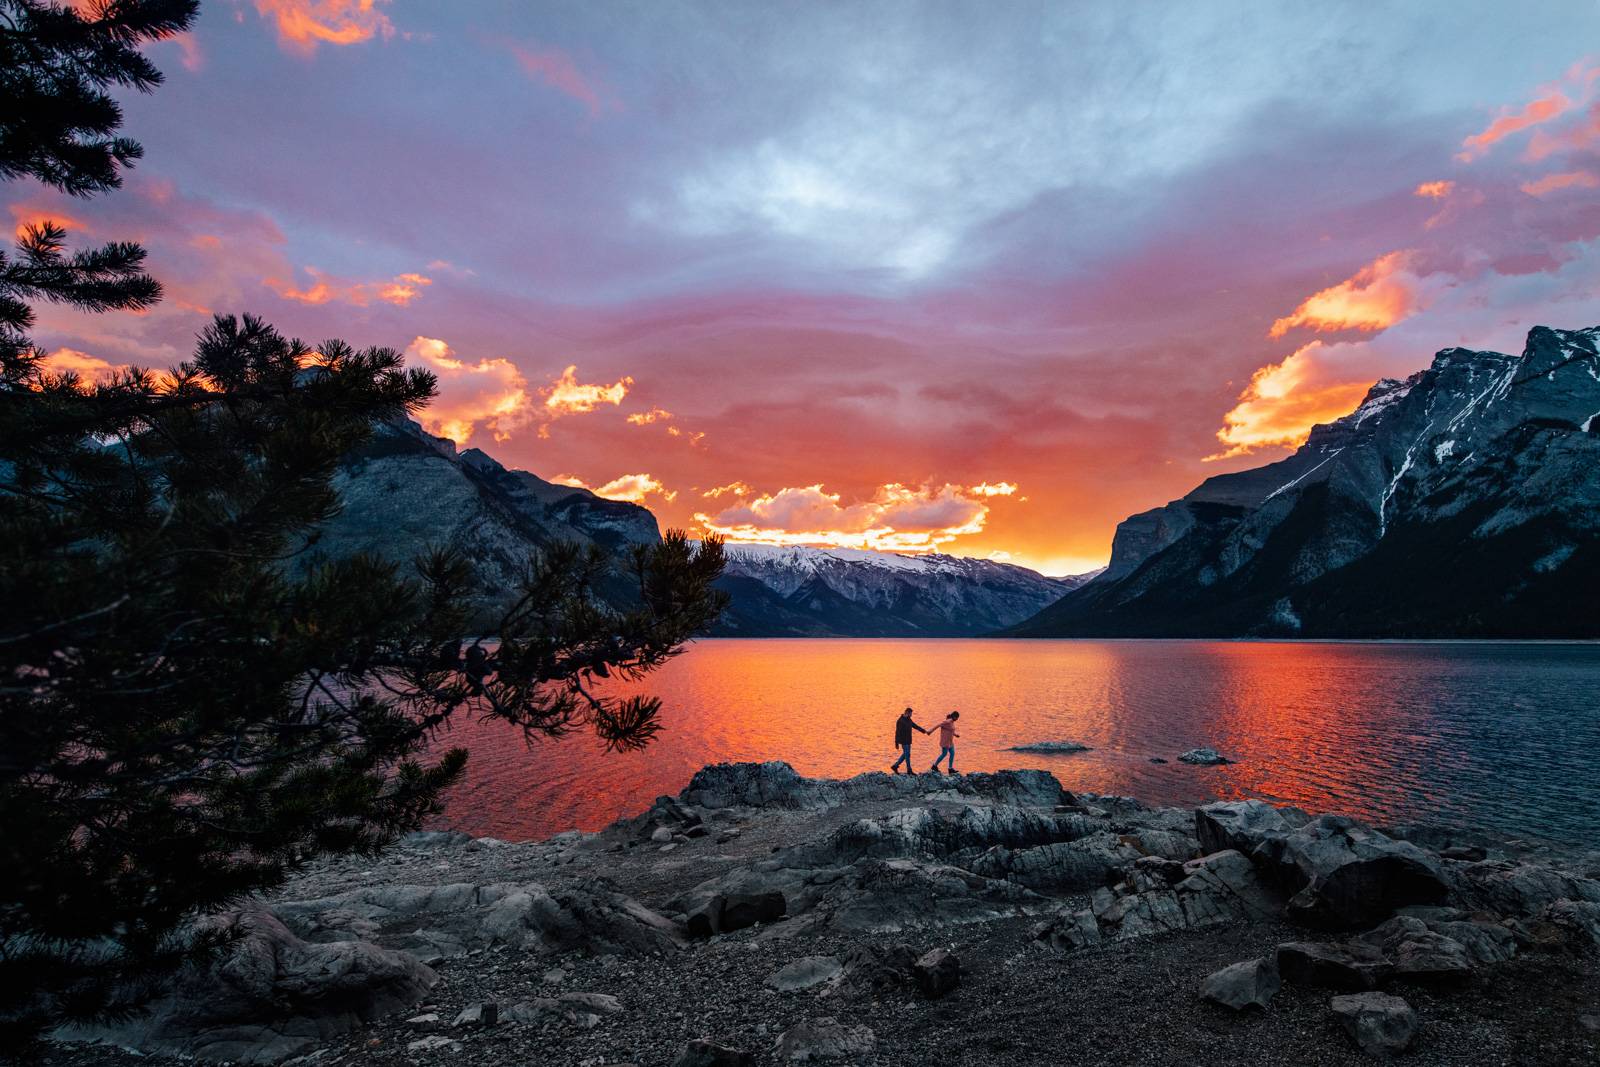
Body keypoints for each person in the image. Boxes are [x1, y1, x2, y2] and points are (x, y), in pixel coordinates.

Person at [891, 707, 929, 774]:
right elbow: (897, 732)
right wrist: (896, 743)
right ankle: (909, 770)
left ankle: (895, 766)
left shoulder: (909, 720)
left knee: (906, 754)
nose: (911, 715)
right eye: (911, 714)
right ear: (907, 713)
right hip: (903, 741)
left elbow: (915, 726)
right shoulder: (900, 721)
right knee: (907, 755)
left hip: (908, 740)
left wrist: (923, 731)